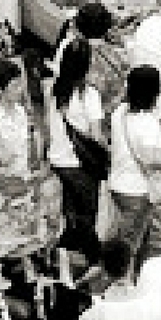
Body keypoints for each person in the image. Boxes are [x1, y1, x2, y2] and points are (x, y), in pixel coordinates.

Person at [45, 37, 106, 259]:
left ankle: (64, 261)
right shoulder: (89, 95)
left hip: (57, 161)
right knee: (86, 218)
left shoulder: (53, 90)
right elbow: (96, 137)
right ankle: (84, 262)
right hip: (80, 166)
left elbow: (48, 126)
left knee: (66, 216)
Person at [105, 66, 161, 257]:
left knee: (127, 240)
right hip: (137, 191)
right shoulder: (148, 125)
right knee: (130, 247)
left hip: (118, 184)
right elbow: (153, 162)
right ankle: (127, 280)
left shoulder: (120, 112)